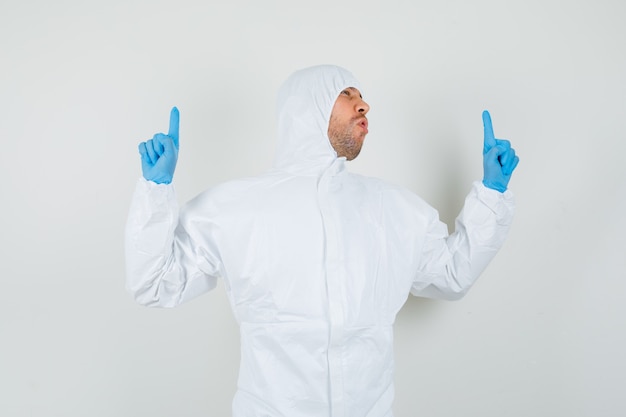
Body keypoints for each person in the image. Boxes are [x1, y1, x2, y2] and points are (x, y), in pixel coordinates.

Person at [125, 65, 519, 417]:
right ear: (305, 109)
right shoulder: (236, 208)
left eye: (362, 97)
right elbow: (155, 284)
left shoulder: (395, 209)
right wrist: (155, 191)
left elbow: (451, 275)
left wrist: (491, 195)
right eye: (346, 95)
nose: (363, 105)